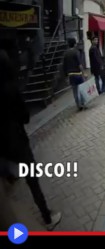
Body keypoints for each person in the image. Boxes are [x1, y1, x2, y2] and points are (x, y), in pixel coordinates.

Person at [0, 49, 62, 231]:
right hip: (17, 142)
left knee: (7, 182)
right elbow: (25, 116)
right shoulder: (11, 89)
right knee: (32, 179)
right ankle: (47, 216)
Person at [62, 38, 86, 110]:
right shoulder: (76, 52)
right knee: (81, 89)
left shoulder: (65, 53)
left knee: (74, 91)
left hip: (70, 75)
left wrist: (66, 77)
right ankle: (83, 103)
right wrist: (83, 73)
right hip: (78, 73)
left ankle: (78, 105)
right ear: (75, 44)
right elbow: (80, 64)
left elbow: (64, 66)